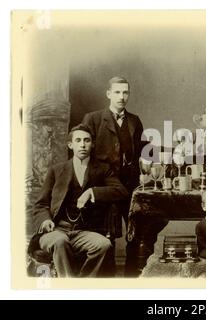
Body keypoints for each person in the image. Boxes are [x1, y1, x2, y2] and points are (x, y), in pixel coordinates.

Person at [82, 76, 165, 276]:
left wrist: (165, 153)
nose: (122, 97)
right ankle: (108, 282)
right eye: (117, 92)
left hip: (130, 186)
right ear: (108, 94)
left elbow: (143, 150)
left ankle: (132, 277)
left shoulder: (134, 120)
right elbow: (81, 149)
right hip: (104, 187)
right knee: (105, 235)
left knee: (137, 233)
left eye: (125, 92)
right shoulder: (92, 119)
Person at [32, 124, 128, 277]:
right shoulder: (56, 170)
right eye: (78, 140)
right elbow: (40, 204)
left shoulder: (103, 169)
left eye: (87, 140)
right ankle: (70, 287)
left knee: (103, 245)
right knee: (60, 242)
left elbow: (121, 191)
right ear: (70, 145)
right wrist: (45, 220)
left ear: (93, 144)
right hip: (56, 230)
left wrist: (92, 192)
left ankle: (83, 285)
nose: (82, 144)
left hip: (84, 231)